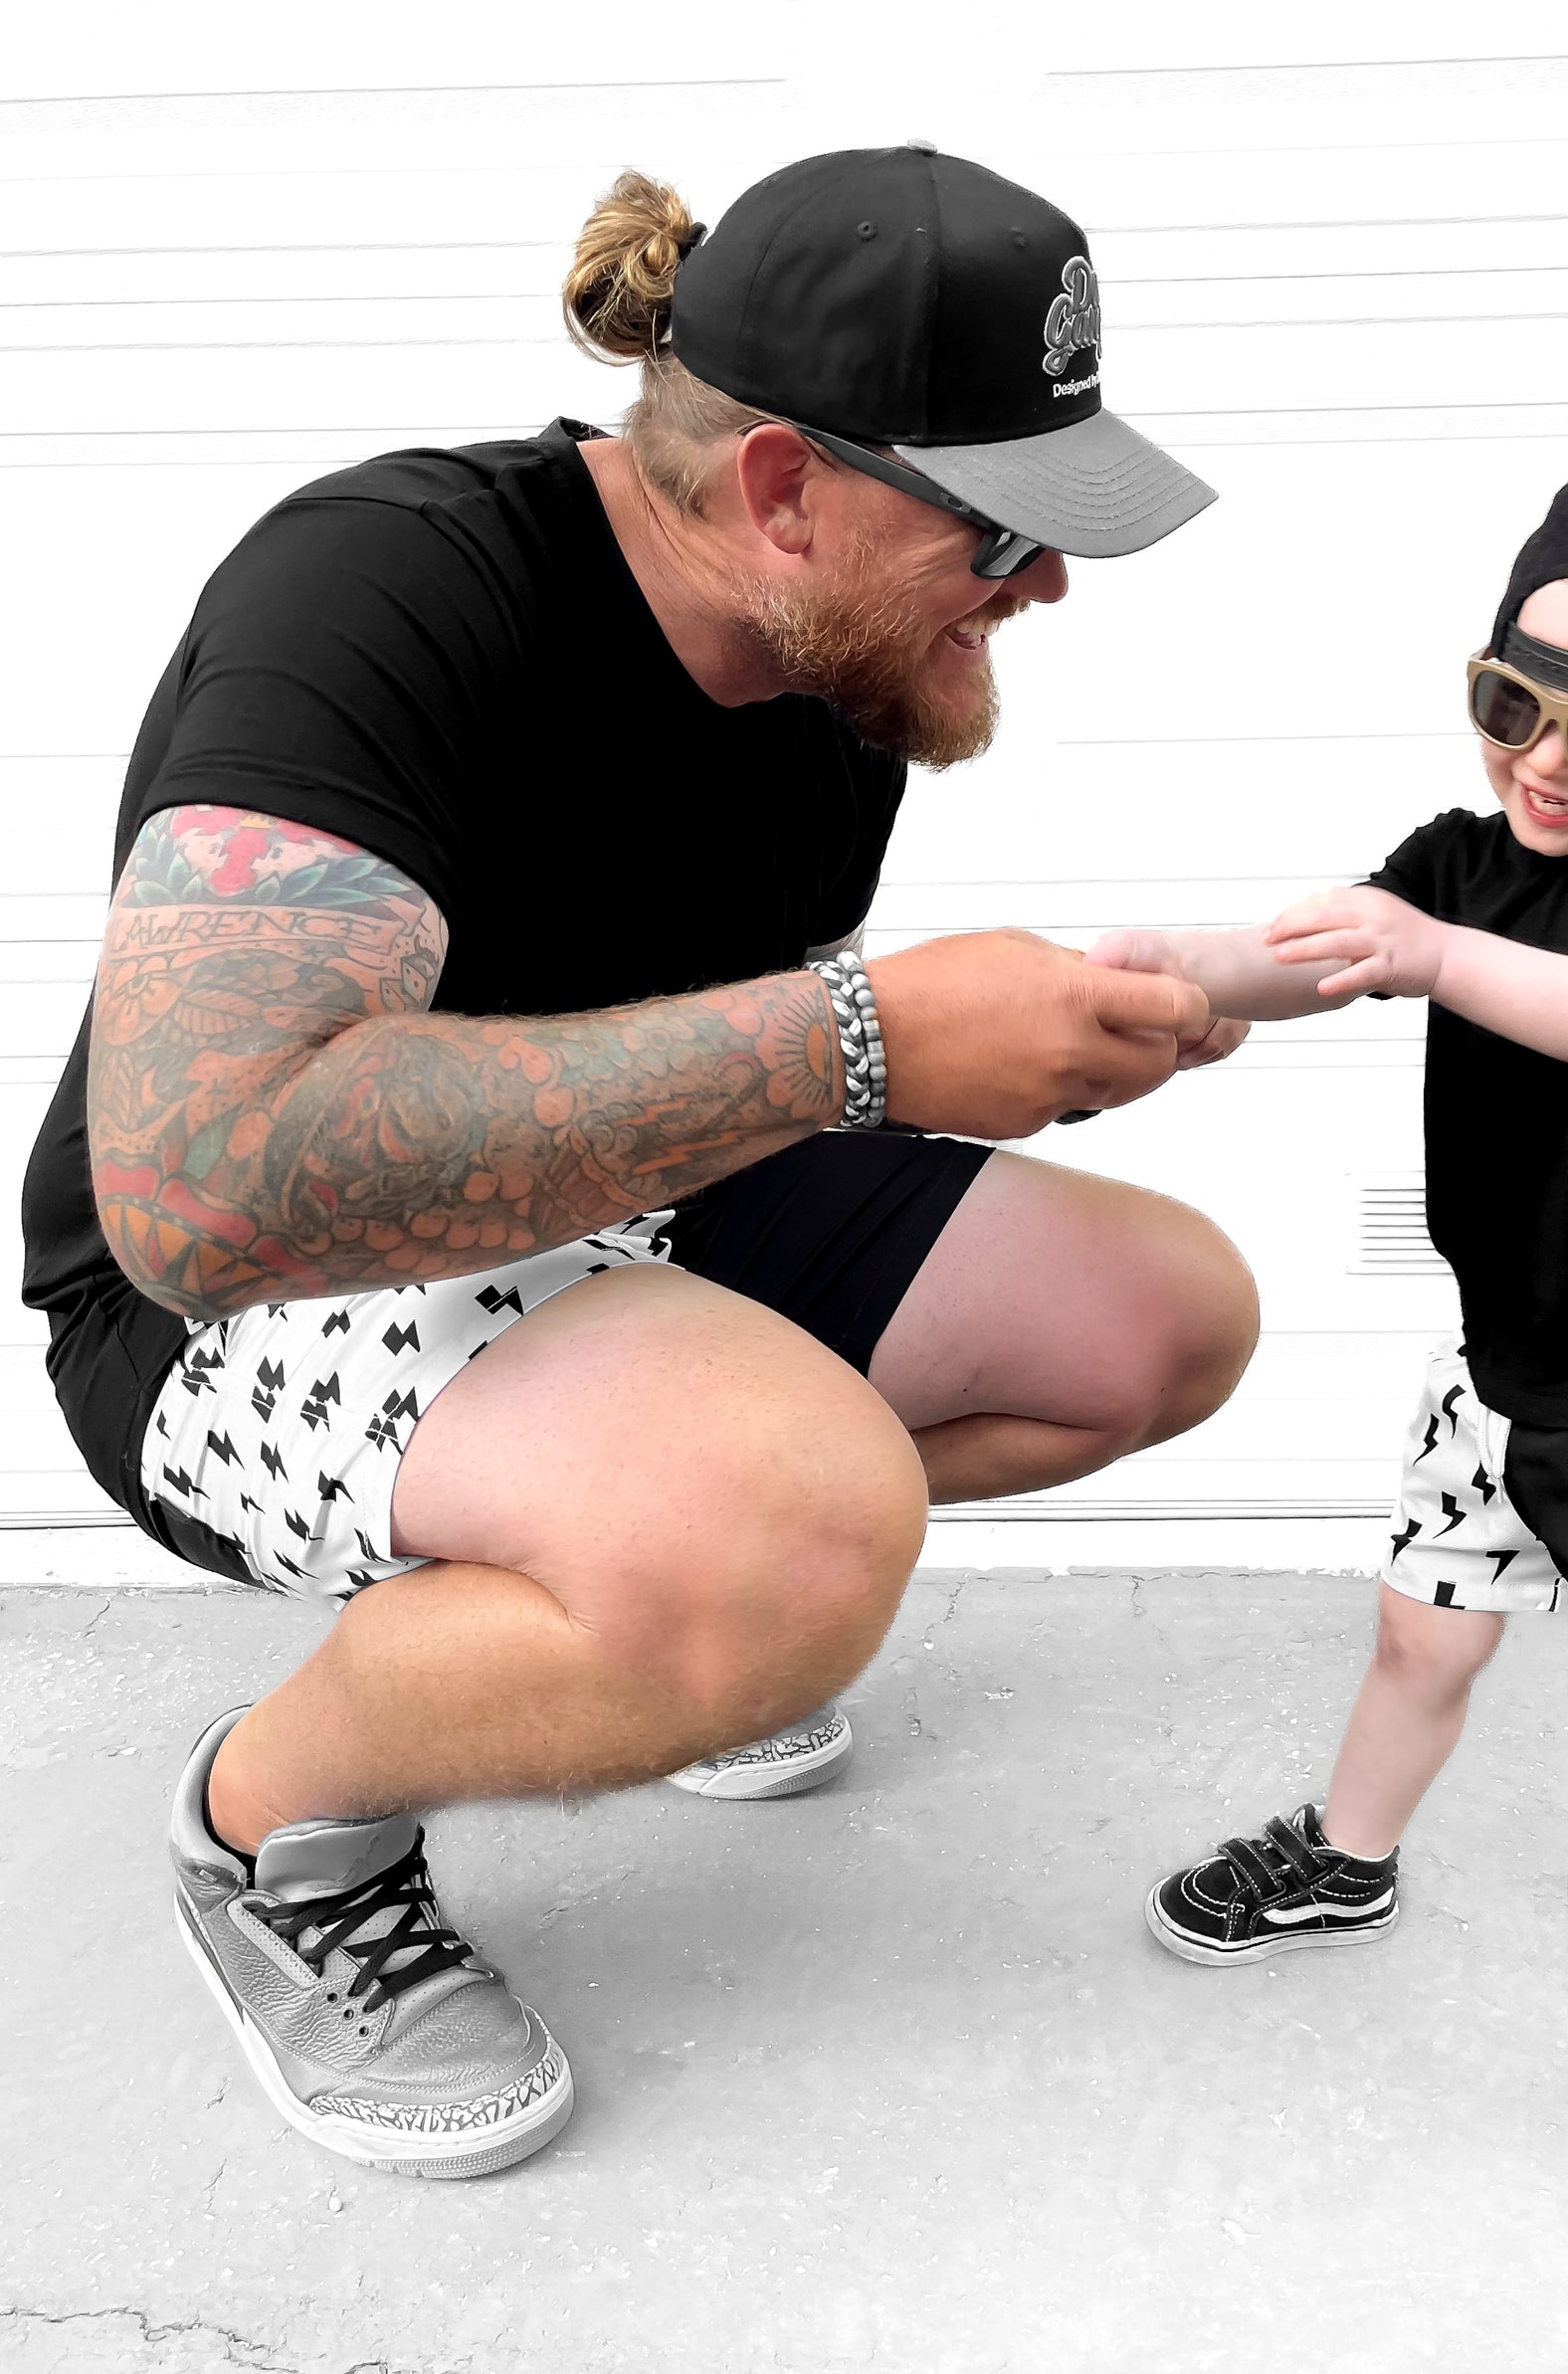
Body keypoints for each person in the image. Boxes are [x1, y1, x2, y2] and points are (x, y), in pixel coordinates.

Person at [20, 144, 1261, 2178]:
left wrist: (1033, 1034)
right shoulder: (384, 586)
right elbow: (198, 1191)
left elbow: (697, 1067)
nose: (1046, 584)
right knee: (793, 1535)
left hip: (597, 1220)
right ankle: (277, 1833)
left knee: (1158, 1319)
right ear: (782, 488)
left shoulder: (833, 666)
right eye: (1003, 529)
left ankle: (643, 1603)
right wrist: (863, 1042)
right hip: (218, 1314)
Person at [1094, 446, 1568, 2211]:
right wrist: (1152, 968)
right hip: (1492, 1366)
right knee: (1417, 1638)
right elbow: (1322, 950)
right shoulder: (1462, 861)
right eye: (1509, 705)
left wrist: (1433, 957)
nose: (1541, 761)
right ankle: (1348, 1860)